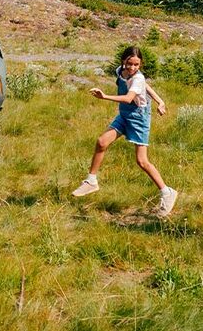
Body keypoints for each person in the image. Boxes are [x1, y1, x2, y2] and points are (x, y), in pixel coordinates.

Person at [72, 46, 178, 218]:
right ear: (123, 61)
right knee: (101, 142)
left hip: (139, 118)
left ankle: (167, 192)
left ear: (140, 64)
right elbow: (146, 86)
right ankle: (91, 181)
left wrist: (104, 96)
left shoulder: (138, 77)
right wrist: (160, 101)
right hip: (124, 115)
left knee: (142, 161)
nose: (132, 68)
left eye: (137, 65)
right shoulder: (120, 71)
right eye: (130, 64)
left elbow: (129, 98)